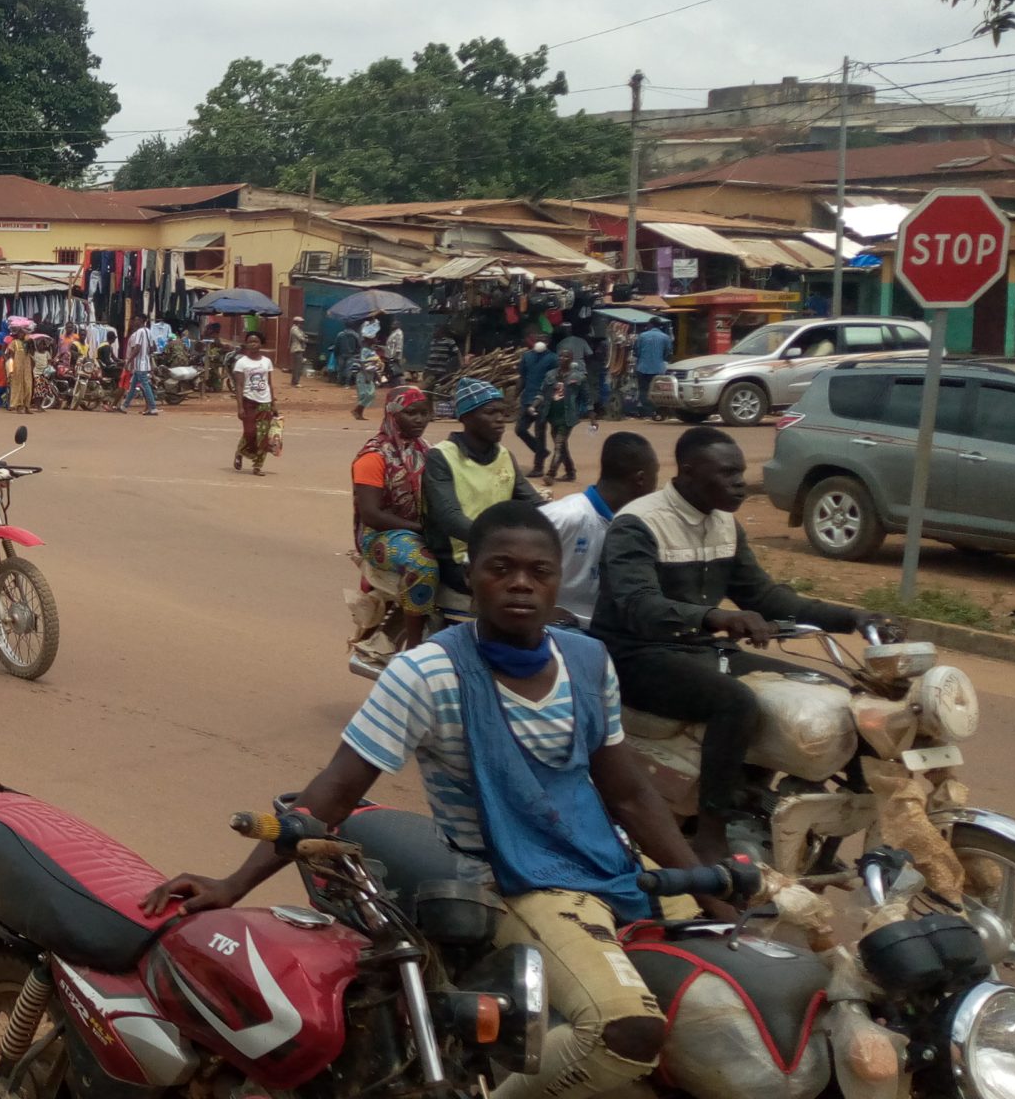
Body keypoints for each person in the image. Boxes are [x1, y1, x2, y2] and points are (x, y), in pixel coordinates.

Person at [150, 501, 714, 1099]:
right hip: (516, 885)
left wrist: (703, 884)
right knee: (624, 1032)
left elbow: (628, 793)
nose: (521, 583)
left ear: (559, 580)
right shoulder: (424, 674)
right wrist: (233, 885)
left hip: (611, 865)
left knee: (737, 979)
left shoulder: (587, 660)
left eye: (539, 571)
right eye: (502, 568)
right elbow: (334, 793)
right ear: (470, 576)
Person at [592, 427, 888, 860]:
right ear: (689, 473)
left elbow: (763, 597)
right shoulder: (639, 523)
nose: (740, 483)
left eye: (741, 472)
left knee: (832, 689)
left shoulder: (724, 523)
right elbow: (638, 604)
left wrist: (851, 617)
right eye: (728, 473)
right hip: (634, 654)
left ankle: (815, 812)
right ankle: (713, 829)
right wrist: (716, 617)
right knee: (734, 702)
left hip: (698, 649)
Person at [421, 377, 542, 624]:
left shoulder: (504, 456)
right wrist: (500, 541)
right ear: (465, 417)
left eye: (503, 412)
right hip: (458, 558)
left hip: (499, 551)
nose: (501, 420)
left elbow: (533, 502)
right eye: (491, 413)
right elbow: (449, 517)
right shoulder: (441, 457)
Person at [540, 431, 659, 628]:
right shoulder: (565, 516)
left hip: (606, 631)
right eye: (655, 475)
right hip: (557, 630)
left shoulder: (637, 526)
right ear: (640, 479)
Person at [352, 386, 438, 651]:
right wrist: (422, 529)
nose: (420, 419)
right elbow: (372, 514)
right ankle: (413, 651)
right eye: (411, 413)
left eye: (424, 413)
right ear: (393, 413)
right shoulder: (374, 456)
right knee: (423, 563)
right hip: (379, 536)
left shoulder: (426, 450)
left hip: (420, 530)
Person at [231, 332, 279, 476]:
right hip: (248, 401)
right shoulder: (241, 362)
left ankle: (257, 466)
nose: (253, 344)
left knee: (263, 436)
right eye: (250, 341)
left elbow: (269, 383)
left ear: (261, 344)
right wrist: (239, 407)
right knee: (250, 432)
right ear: (246, 344)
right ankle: (240, 452)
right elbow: (239, 385)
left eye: (256, 341)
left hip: (265, 401)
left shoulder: (266, 362)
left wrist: (273, 403)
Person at [515, 339, 557, 472]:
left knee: (540, 432)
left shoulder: (553, 358)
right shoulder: (527, 356)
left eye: (544, 338)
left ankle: (538, 467)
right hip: (527, 399)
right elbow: (522, 377)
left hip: (543, 401)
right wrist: (516, 395)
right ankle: (542, 451)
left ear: (548, 341)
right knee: (520, 429)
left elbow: (556, 380)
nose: (541, 340)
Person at [632, 319, 674, 418]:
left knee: (643, 390)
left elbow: (636, 352)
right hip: (658, 369)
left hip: (642, 368)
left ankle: (648, 413)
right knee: (658, 391)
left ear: (650, 325)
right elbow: (668, 353)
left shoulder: (642, 336)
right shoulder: (665, 337)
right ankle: (658, 411)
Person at [118, 321, 160, 416]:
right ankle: (125, 406)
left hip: (140, 364)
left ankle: (153, 407)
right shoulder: (148, 332)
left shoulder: (138, 333)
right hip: (142, 364)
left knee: (145, 385)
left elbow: (137, 348)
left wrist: (129, 360)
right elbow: (153, 348)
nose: (133, 324)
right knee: (133, 386)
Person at [351, 341, 383, 419]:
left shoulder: (373, 354)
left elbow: (374, 367)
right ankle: (357, 411)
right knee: (367, 394)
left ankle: (358, 412)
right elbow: (363, 364)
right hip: (363, 375)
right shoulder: (364, 351)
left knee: (370, 395)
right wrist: (366, 377)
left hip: (369, 375)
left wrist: (378, 378)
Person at [6, 329, 34, 414]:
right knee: (18, 387)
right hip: (17, 368)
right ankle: (18, 406)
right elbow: (10, 355)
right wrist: (10, 368)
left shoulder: (28, 343)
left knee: (28, 386)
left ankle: (27, 406)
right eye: (19, 332)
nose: (21, 334)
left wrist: (31, 344)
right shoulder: (14, 342)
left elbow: (32, 354)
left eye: (22, 333)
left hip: (27, 368)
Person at [286, 317, 308, 387]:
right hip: (297, 349)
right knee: (297, 367)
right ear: (296, 322)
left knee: (296, 366)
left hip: (298, 349)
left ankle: (294, 381)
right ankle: (296, 382)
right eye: (300, 322)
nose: (302, 324)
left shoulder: (297, 329)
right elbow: (301, 338)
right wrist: (305, 339)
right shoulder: (295, 329)